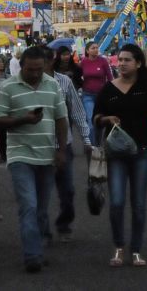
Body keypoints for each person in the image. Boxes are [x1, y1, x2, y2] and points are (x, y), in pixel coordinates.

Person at [93, 44, 147, 268]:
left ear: (138, 63)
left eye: (127, 60)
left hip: (142, 150)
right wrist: (106, 119)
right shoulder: (108, 89)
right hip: (116, 153)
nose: (121, 63)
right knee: (117, 202)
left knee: (139, 203)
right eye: (119, 60)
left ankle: (137, 249)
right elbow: (95, 118)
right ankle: (119, 247)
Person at [0, 46, 68, 273]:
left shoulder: (52, 84)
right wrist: (23, 119)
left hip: (46, 155)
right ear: (21, 65)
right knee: (29, 205)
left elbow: (61, 119)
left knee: (41, 209)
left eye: (39, 69)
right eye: (30, 69)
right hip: (19, 154)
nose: (35, 73)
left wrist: (61, 150)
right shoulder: (8, 87)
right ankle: (32, 256)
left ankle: (37, 247)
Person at [42, 46, 91, 243]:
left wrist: (86, 139)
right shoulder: (28, 83)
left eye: (45, 62)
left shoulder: (64, 81)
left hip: (64, 143)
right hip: (38, 145)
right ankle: (43, 230)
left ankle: (64, 223)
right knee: (41, 192)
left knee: (68, 190)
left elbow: (77, 112)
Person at [80, 42, 113, 144]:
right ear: (87, 50)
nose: (95, 49)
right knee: (90, 120)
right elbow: (78, 76)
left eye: (97, 48)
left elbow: (110, 77)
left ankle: (98, 142)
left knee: (100, 121)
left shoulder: (103, 61)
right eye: (93, 48)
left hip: (101, 96)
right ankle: (92, 146)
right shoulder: (83, 62)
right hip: (87, 95)